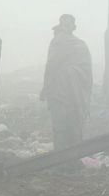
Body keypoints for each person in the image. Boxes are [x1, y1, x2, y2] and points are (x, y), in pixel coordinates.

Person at [40, 14, 93, 150]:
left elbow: (50, 66)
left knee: (61, 124)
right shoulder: (81, 44)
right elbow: (87, 72)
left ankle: (63, 159)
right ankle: (73, 156)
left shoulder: (59, 41)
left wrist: (45, 87)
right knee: (73, 121)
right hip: (75, 92)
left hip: (61, 90)